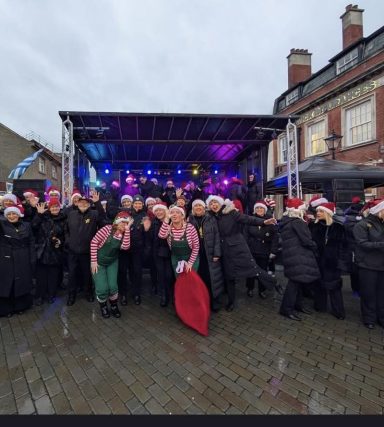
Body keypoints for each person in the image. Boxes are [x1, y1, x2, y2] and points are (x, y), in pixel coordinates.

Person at [207, 195, 277, 311]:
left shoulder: (231, 213)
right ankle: (231, 301)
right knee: (229, 276)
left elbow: (248, 219)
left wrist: (263, 222)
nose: (213, 205)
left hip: (237, 248)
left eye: (215, 202)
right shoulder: (211, 216)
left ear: (221, 203)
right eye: (211, 203)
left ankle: (273, 283)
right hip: (223, 250)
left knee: (252, 268)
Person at [279, 198, 320, 321]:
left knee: (297, 283)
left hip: (292, 255)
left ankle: (297, 305)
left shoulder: (287, 221)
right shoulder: (297, 222)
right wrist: (315, 246)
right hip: (299, 256)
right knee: (294, 284)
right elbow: (306, 240)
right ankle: (286, 309)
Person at [65, 193, 106, 306]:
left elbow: (103, 220)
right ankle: (71, 295)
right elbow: (66, 230)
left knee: (87, 274)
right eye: (81, 202)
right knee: (72, 274)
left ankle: (88, 293)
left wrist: (97, 203)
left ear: (89, 204)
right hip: (72, 251)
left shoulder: (94, 214)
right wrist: (68, 241)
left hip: (87, 251)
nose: (83, 204)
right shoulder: (71, 214)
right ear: (77, 203)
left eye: (86, 202)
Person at [90, 212, 133, 318]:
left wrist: (127, 230)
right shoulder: (106, 229)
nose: (124, 224)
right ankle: (103, 307)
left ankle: (114, 306)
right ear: (116, 222)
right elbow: (94, 242)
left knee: (113, 286)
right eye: (122, 222)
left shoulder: (124, 234)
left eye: (126, 223)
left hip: (112, 262)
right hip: (98, 262)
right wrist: (93, 261)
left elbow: (125, 247)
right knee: (101, 288)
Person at [309, 202, 346, 320]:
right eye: (317, 211)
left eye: (321, 211)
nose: (318, 213)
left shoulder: (338, 228)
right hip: (317, 261)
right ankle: (320, 306)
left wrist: (340, 262)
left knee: (334, 287)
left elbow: (343, 247)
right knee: (319, 285)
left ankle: (338, 311)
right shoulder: (313, 226)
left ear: (328, 213)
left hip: (332, 263)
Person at [353, 199, 384, 329]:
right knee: (368, 293)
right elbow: (362, 243)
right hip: (367, 265)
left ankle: (381, 317)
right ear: (379, 210)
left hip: (382, 265)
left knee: (382, 294)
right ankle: (369, 318)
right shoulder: (362, 225)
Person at [188, 199, 224, 312]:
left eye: (200, 206)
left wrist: (217, 253)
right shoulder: (189, 220)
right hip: (196, 255)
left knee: (212, 279)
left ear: (204, 208)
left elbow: (217, 236)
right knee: (199, 279)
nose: (198, 207)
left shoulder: (211, 219)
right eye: (196, 206)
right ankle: (202, 301)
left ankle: (215, 302)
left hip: (210, 254)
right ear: (193, 209)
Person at [0, 204, 35, 317]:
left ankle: (21, 306)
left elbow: (31, 241)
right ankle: (7, 309)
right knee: (8, 282)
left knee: (22, 282)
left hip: (23, 256)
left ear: (19, 214)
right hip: (7, 258)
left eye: (14, 213)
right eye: (9, 214)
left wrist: (32, 257)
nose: (11, 216)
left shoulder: (27, 225)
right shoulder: (2, 225)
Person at [31, 198, 66, 305]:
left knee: (53, 276)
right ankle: (39, 296)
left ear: (59, 207)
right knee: (41, 276)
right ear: (49, 208)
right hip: (42, 251)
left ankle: (51, 295)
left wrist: (61, 241)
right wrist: (39, 215)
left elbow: (66, 234)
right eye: (52, 206)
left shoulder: (64, 219)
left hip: (56, 252)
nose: (55, 208)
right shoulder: (43, 216)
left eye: (57, 206)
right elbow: (33, 227)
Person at [244, 200, 279, 299]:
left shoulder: (270, 220)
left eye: (261, 208)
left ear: (265, 210)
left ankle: (262, 290)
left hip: (264, 250)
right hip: (252, 250)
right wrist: (246, 249)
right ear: (255, 210)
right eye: (257, 208)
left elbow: (275, 238)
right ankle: (250, 288)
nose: (259, 210)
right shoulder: (250, 220)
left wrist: (273, 251)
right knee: (250, 271)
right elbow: (245, 235)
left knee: (263, 271)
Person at [159, 206, 200, 276]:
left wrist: (190, 263)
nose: (174, 214)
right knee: (180, 281)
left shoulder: (190, 228)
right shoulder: (169, 228)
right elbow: (161, 235)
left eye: (177, 212)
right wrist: (166, 219)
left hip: (191, 258)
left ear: (182, 216)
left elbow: (196, 247)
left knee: (191, 280)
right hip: (176, 259)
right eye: (172, 213)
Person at [148, 203, 173, 307]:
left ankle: (172, 295)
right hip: (158, 253)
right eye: (156, 211)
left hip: (171, 252)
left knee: (169, 275)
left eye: (160, 210)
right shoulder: (153, 223)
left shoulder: (172, 221)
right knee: (162, 275)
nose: (158, 212)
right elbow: (153, 238)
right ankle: (164, 296)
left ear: (165, 211)